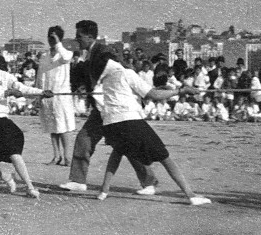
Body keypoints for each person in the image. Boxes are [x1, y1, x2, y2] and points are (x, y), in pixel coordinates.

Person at [89, 51, 211, 205]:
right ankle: (191, 195)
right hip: (129, 120)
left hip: (110, 124)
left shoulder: (105, 79)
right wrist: (180, 91)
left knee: (117, 152)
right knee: (165, 157)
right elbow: (153, 94)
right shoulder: (126, 73)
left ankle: (104, 191)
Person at [58, 20, 159, 195]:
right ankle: (78, 180)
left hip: (115, 109)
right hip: (100, 110)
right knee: (84, 140)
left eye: (79, 36)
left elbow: (118, 73)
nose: (77, 39)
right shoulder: (89, 54)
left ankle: (149, 182)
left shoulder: (104, 53)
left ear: (90, 36)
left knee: (128, 145)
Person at [0, 48, 52, 198]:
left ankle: (30, 187)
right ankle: (6, 176)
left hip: (0, 120)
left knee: (14, 152)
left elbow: (21, 87)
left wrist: (41, 92)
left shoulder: (4, 75)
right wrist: (7, 93)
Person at [35, 26, 76, 166]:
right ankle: (56, 156)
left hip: (61, 96)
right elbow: (40, 75)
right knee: (52, 127)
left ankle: (67, 157)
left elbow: (65, 57)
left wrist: (58, 42)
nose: (50, 40)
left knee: (63, 127)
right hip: (47, 95)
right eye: (49, 37)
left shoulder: (66, 53)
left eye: (53, 37)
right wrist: (39, 94)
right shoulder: (44, 56)